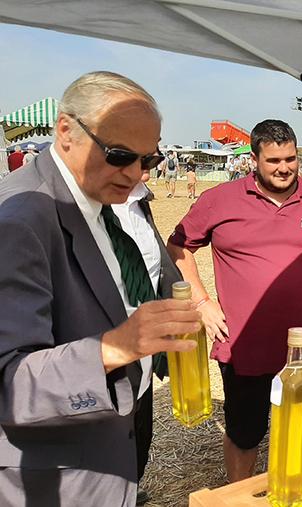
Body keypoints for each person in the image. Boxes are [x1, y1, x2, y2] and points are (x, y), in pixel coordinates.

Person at [0, 71, 200, 506]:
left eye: (148, 161)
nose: (133, 174)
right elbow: (9, 383)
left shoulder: (94, 200)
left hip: (105, 453)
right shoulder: (19, 222)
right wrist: (115, 347)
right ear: (66, 130)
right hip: (56, 479)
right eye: (119, 155)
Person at [167, 119, 302, 482]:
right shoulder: (220, 200)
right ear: (254, 160)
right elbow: (179, 244)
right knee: (245, 434)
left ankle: (296, 491)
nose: (284, 168)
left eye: (290, 159)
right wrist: (201, 302)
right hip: (243, 345)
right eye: (274, 160)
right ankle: (239, 493)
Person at [111, 166, 181, 505]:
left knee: (139, 427)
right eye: (144, 157)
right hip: (108, 342)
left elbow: (156, 263)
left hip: (146, 339)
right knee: (108, 431)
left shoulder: (139, 200)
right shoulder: (85, 207)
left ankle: (128, 490)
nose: (152, 167)